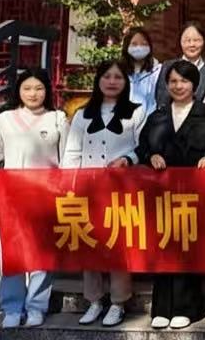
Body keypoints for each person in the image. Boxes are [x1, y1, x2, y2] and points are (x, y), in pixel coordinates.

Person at [0, 67, 69, 329]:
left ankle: (36, 306)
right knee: (12, 252)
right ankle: (11, 307)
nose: (33, 93)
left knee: (42, 253)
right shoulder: (5, 119)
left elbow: (66, 158)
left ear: (47, 91)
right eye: (27, 88)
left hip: (46, 195)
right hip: (12, 197)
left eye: (39, 88)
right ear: (18, 90)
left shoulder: (58, 119)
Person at [136, 61, 205, 330]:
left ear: (194, 85)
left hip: (195, 193)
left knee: (188, 247)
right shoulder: (158, 116)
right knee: (163, 245)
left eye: (184, 81)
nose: (178, 86)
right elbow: (142, 147)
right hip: (162, 192)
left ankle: (187, 307)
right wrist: (152, 155)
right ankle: (162, 307)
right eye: (173, 81)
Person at [62, 60, 147, 328]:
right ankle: (94, 300)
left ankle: (118, 302)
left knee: (117, 244)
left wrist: (128, 159)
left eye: (118, 77)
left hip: (121, 189)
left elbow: (143, 146)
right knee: (91, 244)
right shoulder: (82, 114)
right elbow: (72, 152)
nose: (112, 82)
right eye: (107, 76)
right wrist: (69, 187)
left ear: (125, 82)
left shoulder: (136, 111)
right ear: (98, 80)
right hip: (88, 189)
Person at [156, 22, 205, 106]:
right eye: (187, 40)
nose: (192, 44)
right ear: (180, 42)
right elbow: (161, 99)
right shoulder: (168, 66)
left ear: (204, 41)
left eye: (196, 40)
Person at [122, 27, 162, 119]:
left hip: (150, 124)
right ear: (127, 46)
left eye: (144, 44)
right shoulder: (119, 73)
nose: (139, 48)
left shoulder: (159, 72)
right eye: (134, 44)